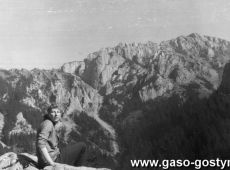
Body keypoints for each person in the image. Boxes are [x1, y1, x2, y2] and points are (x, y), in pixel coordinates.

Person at [36, 104, 87, 169]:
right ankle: (77, 168)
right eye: (53, 112)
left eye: (58, 112)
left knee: (68, 147)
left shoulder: (47, 122)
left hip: (50, 158)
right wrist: (51, 163)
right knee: (82, 146)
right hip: (53, 159)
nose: (56, 114)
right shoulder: (48, 124)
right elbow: (40, 143)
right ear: (49, 114)